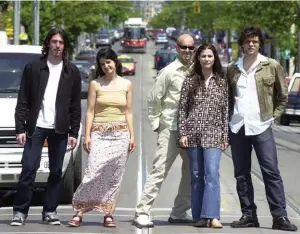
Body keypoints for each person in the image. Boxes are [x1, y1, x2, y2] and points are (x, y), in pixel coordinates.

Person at [227, 26, 298, 231]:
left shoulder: (271, 65)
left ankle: (279, 217)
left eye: (255, 42)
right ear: (242, 43)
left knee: (271, 172)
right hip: (238, 126)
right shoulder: (233, 68)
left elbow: (282, 96)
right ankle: (248, 214)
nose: (251, 45)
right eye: (248, 41)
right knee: (241, 173)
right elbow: (229, 98)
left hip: (261, 127)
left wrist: (272, 118)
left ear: (260, 44)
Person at [11, 28, 82, 226]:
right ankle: (20, 212)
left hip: (59, 128)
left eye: (61, 42)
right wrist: (20, 129)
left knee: (56, 172)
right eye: (54, 42)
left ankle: (50, 211)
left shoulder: (72, 71)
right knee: (29, 169)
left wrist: (73, 132)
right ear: (48, 44)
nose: (57, 46)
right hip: (36, 126)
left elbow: (75, 105)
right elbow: (23, 100)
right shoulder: (33, 68)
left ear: (65, 46)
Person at [132, 34, 195, 228]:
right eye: (183, 47)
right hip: (170, 128)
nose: (187, 51)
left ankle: (179, 211)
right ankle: (142, 211)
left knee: (192, 172)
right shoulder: (168, 72)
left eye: (191, 48)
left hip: (191, 131)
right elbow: (153, 99)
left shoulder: (196, 71)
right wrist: (157, 125)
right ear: (177, 48)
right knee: (159, 171)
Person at [68, 47, 135, 228]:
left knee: (114, 176)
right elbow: (90, 111)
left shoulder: (126, 84)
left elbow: (128, 112)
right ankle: (80, 210)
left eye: (109, 62)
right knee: (92, 172)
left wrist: (132, 136)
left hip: (121, 134)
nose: (106, 66)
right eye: (102, 63)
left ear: (116, 62)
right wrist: (87, 136)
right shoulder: (95, 84)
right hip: (99, 133)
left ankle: (108, 213)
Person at [177, 44, 228, 228]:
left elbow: (225, 111)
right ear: (198, 58)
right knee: (196, 175)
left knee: (212, 173)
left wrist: (224, 135)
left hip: (214, 134)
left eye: (210, 56)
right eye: (203, 56)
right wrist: (182, 133)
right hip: (193, 134)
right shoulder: (190, 81)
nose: (207, 59)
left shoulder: (222, 81)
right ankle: (199, 216)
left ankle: (212, 216)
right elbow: (182, 109)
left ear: (215, 58)